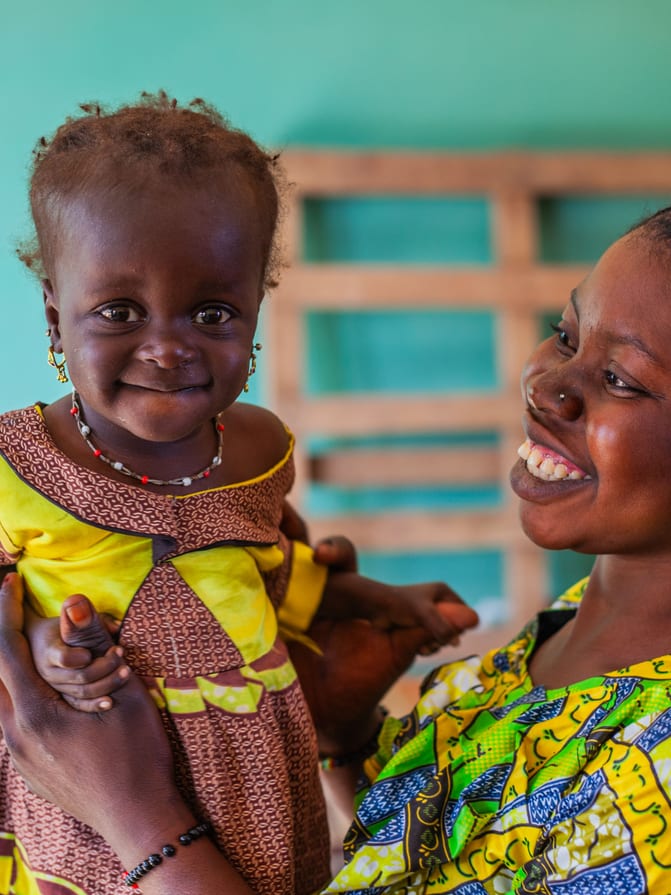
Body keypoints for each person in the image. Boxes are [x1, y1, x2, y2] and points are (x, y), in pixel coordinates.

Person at [3, 204, 671, 894]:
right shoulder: (569, 630)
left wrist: (137, 818)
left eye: (621, 378)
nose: (544, 385)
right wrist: (345, 736)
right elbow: (458, 863)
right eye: (564, 334)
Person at [0, 92, 479, 895]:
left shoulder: (257, 449)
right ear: (55, 320)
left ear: (255, 315)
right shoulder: (19, 465)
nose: (166, 346)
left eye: (211, 311)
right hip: (93, 775)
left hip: (254, 757)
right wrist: (48, 646)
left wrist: (372, 594)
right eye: (119, 310)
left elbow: (265, 565)